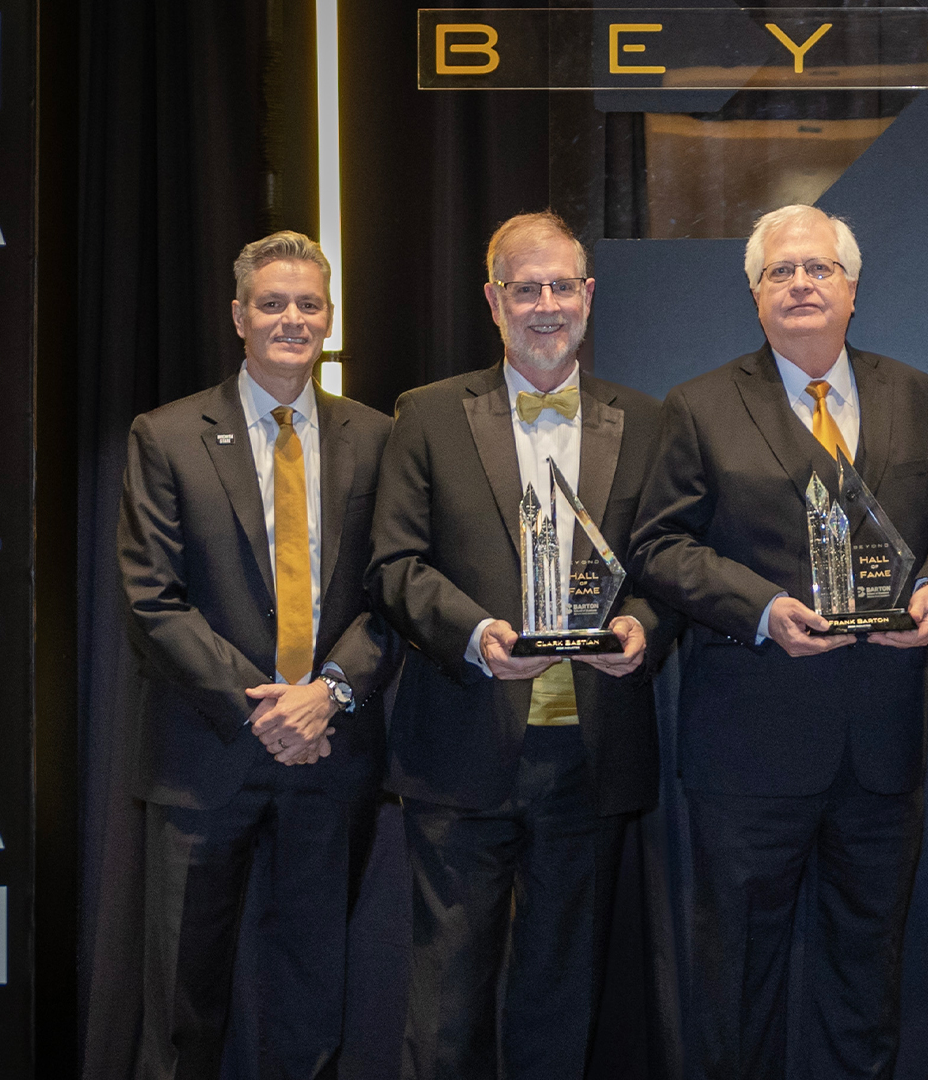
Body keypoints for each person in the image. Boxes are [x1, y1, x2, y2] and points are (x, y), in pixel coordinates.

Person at [629, 204, 928, 1078]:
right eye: (781, 272)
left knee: (867, 980)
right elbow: (660, 546)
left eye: (818, 269)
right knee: (736, 982)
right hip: (748, 749)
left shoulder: (917, 395)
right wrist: (762, 608)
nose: (801, 284)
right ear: (754, 297)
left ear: (853, 291)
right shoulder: (698, 405)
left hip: (882, 750)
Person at [367, 211, 676, 1080]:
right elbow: (393, 565)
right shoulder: (425, 415)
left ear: (589, 296)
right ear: (493, 302)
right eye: (524, 288)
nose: (545, 305)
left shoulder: (647, 421)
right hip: (463, 743)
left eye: (560, 287)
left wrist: (643, 627)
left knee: (560, 994)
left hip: (591, 750)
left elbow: (668, 569)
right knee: (447, 999)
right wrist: (475, 634)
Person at [119, 230, 400, 1079]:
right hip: (205, 754)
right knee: (181, 1003)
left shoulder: (380, 437)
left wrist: (329, 694)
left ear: (329, 319)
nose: (291, 319)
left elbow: (393, 591)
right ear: (238, 316)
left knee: (313, 994)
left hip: (331, 754)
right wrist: (271, 709)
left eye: (308, 304)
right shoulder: (165, 436)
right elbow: (150, 598)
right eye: (272, 303)